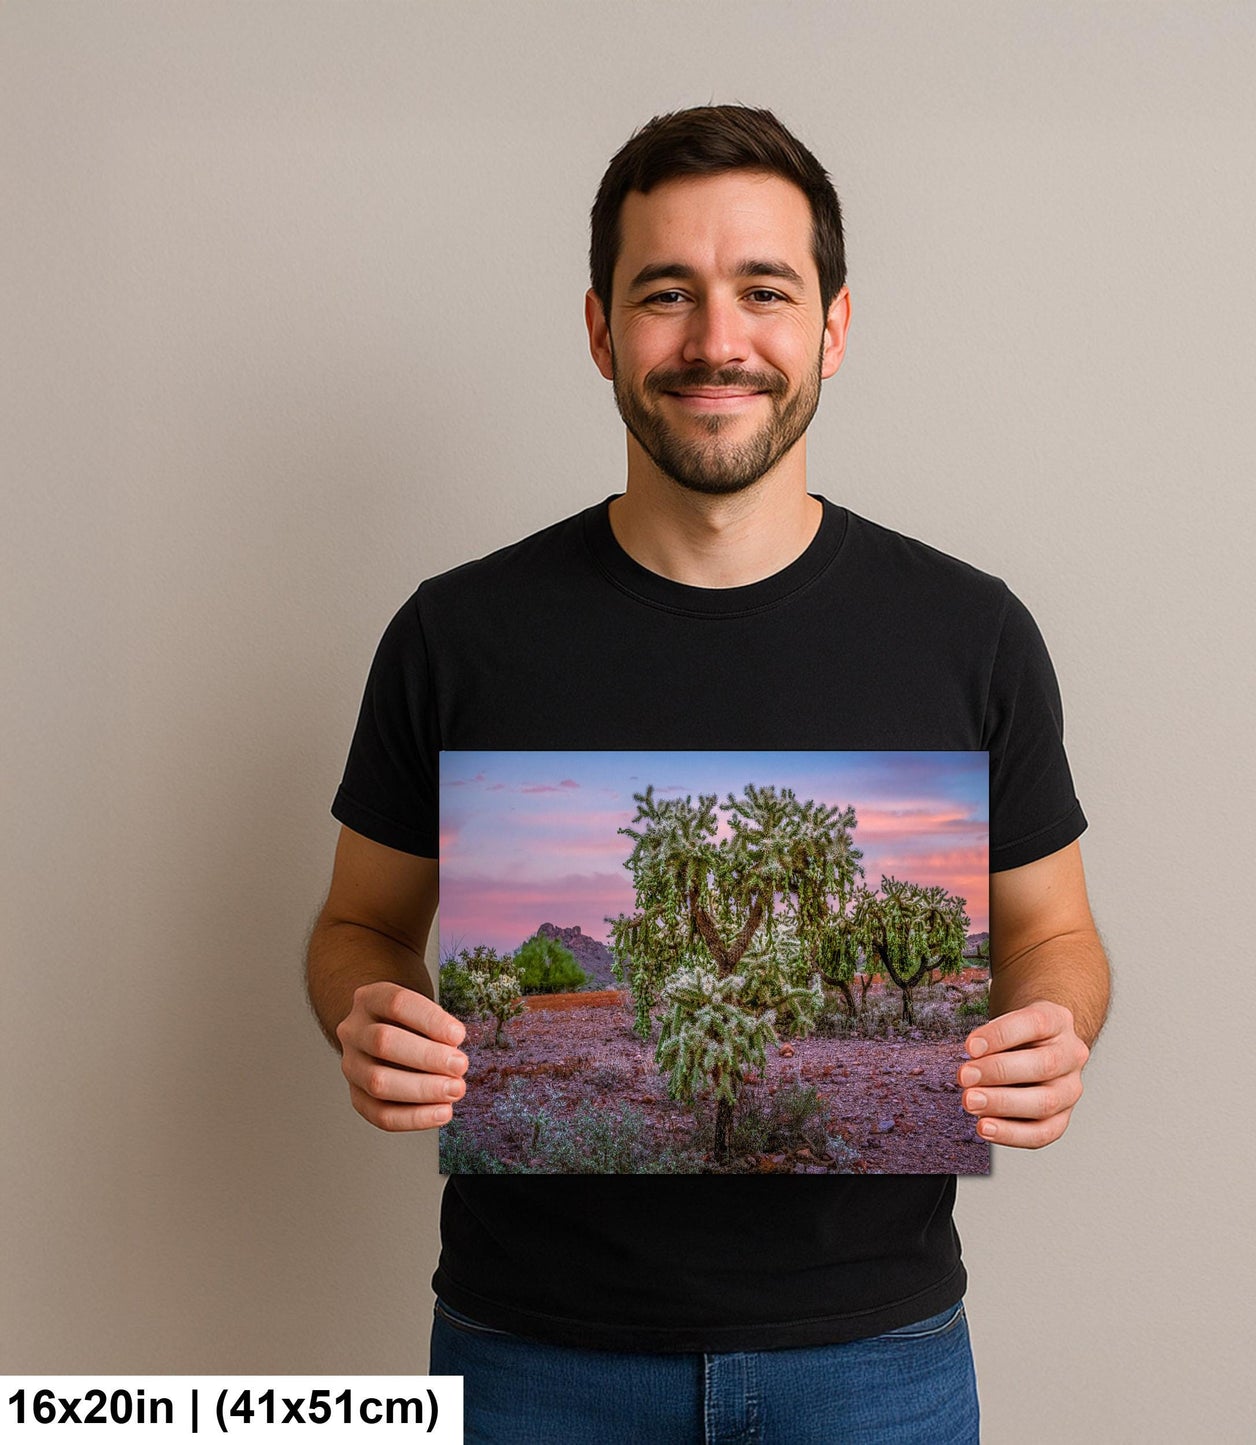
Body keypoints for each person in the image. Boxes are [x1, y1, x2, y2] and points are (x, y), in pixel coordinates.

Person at [306, 104, 1110, 1443]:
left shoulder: (969, 633)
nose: (715, 339)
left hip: (874, 1355)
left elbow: (1059, 936)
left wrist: (1053, 1028)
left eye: (763, 291)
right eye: (665, 293)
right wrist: (369, 1010)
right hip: (530, 1358)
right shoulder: (460, 634)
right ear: (599, 330)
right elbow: (356, 923)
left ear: (832, 329)